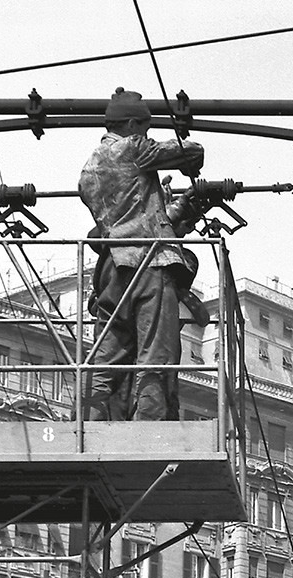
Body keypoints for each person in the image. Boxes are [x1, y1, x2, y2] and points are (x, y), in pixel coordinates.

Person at [78, 88, 205, 421]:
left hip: (111, 270)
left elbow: (131, 213)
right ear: (133, 124)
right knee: (155, 354)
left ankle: (85, 427)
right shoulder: (132, 148)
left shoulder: (89, 168)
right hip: (149, 264)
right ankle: (150, 430)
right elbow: (192, 152)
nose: (146, 135)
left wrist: (165, 206)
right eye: (145, 128)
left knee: (107, 354)